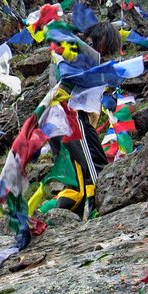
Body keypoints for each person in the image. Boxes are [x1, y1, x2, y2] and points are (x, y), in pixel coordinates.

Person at [41, 22, 122, 219]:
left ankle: (59, 214)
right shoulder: (72, 51)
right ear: (93, 41)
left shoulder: (78, 55)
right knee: (89, 169)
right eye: (104, 47)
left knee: (82, 172)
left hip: (71, 116)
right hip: (70, 114)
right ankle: (98, 208)